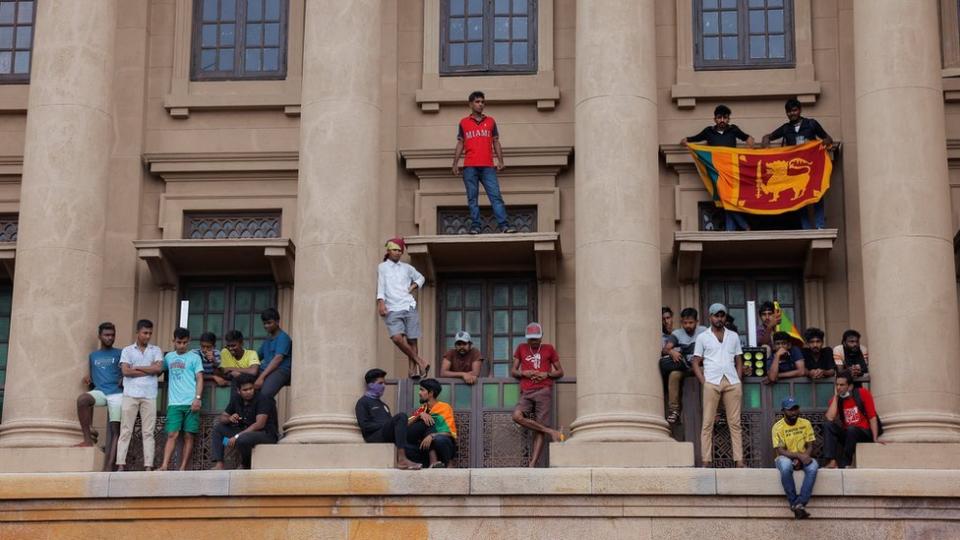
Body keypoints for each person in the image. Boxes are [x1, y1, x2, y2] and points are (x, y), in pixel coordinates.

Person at [761, 98, 834, 229]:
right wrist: (766, 146)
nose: (791, 113)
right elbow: (767, 137)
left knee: (816, 193)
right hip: (794, 170)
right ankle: (806, 228)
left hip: (812, 167)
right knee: (798, 197)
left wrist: (820, 144)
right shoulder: (785, 128)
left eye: (794, 110)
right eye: (788, 111)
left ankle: (820, 227)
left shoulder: (811, 124)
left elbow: (828, 139)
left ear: (799, 110)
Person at [450, 90, 516, 234]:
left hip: (488, 166)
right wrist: (455, 163)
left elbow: (496, 142)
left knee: (496, 197)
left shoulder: (491, 121)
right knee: (472, 198)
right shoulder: (464, 122)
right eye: (477, 102)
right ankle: (476, 226)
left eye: (482, 102)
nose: (481, 104)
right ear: (471, 104)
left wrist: (500, 160)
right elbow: (460, 143)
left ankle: (504, 225)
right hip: (470, 167)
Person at [681, 104, 754, 231]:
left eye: (725, 118)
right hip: (716, 171)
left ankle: (732, 229)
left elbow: (750, 139)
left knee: (728, 199)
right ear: (714, 119)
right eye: (719, 117)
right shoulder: (708, 131)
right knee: (725, 198)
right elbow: (691, 139)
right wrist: (685, 142)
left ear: (728, 119)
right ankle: (742, 226)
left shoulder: (733, 129)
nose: (722, 120)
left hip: (731, 170)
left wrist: (745, 152)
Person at [691, 303, 745, 468]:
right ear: (710, 317)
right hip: (712, 381)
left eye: (722, 315)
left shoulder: (733, 336)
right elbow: (695, 362)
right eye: (716, 315)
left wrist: (738, 379)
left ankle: (739, 461)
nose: (719, 318)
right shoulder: (702, 337)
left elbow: (739, 360)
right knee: (707, 423)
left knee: (735, 423)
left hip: (732, 381)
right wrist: (704, 382)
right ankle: (706, 461)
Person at [511, 322, 565, 467]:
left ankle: (532, 463)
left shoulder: (549, 349)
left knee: (539, 427)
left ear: (541, 337)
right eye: (530, 339)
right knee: (517, 416)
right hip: (527, 391)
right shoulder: (521, 348)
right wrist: (524, 372)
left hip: (543, 390)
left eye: (535, 338)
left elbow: (560, 372)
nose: (533, 341)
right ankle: (551, 431)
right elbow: (513, 371)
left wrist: (545, 374)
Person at [377, 238, 429, 379]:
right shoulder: (382, 267)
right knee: (397, 338)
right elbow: (381, 286)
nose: (398, 253)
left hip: (409, 305)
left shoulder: (407, 268)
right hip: (392, 308)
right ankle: (420, 361)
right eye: (395, 250)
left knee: (412, 340)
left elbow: (421, 278)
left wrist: (413, 286)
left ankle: (412, 371)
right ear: (388, 251)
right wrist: (381, 302)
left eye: (400, 251)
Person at [116, 319, 164, 472]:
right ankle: (120, 464)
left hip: (149, 395)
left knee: (148, 432)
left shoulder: (156, 350)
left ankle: (148, 465)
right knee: (126, 430)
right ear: (137, 332)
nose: (147, 336)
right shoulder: (127, 350)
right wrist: (147, 369)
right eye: (145, 333)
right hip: (130, 394)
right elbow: (125, 372)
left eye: (150, 333)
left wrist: (135, 367)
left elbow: (157, 369)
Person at [75, 322, 123, 471]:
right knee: (83, 400)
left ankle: (109, 466)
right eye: (107, 335)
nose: (110, 338)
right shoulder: (93, 356)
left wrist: (124, 379)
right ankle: (87, 440)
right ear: (99, 336)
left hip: (117, 393)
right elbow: (92, 374)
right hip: (100, 391)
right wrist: (88, 379)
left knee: (116, 430)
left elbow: (126, 370)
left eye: (112, 335)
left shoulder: (120, 353)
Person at [355, 368, 423, 470]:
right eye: (380, 383)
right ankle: (402, 459)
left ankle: (434, 462)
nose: (383, 386)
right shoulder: (363, 402)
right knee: (401, 416)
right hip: (375, 436)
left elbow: (391, 426)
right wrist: (385, 424)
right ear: (371, 385)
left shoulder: (383, 404)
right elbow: (364, 425)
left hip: (386, 434)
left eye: (384, 383)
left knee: (421, 427)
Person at [210, 373, 279, 470]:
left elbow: (259, 424)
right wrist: (229, 418)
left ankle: (246, 464)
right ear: (238, 391)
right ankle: (219, 464)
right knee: (218, 428)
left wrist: (237, 436)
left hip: (266, 434)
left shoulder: (263, 399)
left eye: (251, 388)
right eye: (245, 390)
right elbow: (223, 417)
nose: (249, 392)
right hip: (244, 431)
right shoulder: (236, 399)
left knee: (242, 439)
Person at [158, 328, 204, 471]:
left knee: (189, 435)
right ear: (173, 341)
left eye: (185, 342)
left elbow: (200, 378)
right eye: (179, 342)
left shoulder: (195, 357)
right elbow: (157, 371)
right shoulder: (169, 357)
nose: (182, 345)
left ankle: (182, 467)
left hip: (191, 402)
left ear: (189, 341)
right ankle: (164, 465)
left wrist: (197, 398)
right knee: (172, 434)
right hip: (174, 403)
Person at [772, 397, 818, 519]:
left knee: (813, 466)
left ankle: (799, 503)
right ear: (783, 411)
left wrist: (805, 456)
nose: (793, 412)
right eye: (790, 410)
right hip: (785, 457)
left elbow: (810, 445)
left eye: (796, 409)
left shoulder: (805, 423)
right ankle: (794, 502)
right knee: (786, 467)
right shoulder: (778, 427)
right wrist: (798, 456)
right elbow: (780, 450)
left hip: (803, 456)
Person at [823, 371, 880, 468]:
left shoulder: (862, 393)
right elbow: (830, 418)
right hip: (848, 433)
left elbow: (872, 416)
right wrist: (836, 397)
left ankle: (846, 463)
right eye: (837, 385)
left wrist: (875, 438)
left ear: (850, 386)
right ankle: (832, 461)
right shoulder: (837, 399)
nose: (838, 387)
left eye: (842, 385)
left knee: (852, 429)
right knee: (828, 425)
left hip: (863, 432)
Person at [407, 378, 458, 468]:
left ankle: (449, 464)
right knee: (408, 446)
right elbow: (406, 425)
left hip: (442, 443)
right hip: (425, 447)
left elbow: (449, 433)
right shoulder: (422, 409)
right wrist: (419, 415)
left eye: (422, 390)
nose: (419, 393)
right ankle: (431, 463)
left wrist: (432, 436)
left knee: (439, 439)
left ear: (431, 393)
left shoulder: (444, 407)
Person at [256, 308, 292, 400]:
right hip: (266, 370)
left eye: (269, 323)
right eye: (264, 323)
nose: (266, 326)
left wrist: (261, 377)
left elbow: (278, 359)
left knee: (264, 394)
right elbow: (256, 357)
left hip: (280, 370)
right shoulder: (268, 339)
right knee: (241, 379)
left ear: (277, 321)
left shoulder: (283, 338)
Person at [659, 335, 685, 425]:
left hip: (696, 365)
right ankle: (674, 411)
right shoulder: (677, 334)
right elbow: (666, 349)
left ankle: (717, 411)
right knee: (674, 375)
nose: (667, 321)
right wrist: (671, 351)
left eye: (669, 319)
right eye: (665, 319)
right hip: (680, 367)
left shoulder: (702, 332)